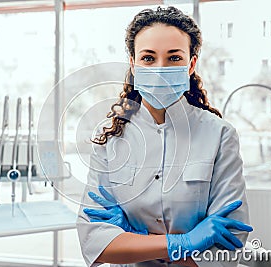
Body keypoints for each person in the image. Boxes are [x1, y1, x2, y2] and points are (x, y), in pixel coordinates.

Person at [76, 6, 252, 267]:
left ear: (190, 64)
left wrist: (135, 242)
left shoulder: (219, 134)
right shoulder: (109, 137)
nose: (160, 68)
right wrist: (184, 243)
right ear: (133, 64)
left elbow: (229, 242)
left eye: (173, 58)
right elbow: (94, 243)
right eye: (148, 58)